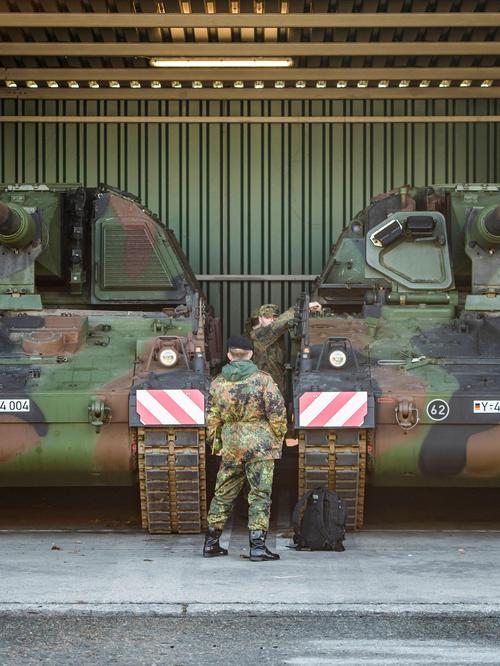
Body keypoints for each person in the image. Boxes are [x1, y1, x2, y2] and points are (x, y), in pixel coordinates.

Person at [203, 335, 287, 562]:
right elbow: (277, 413)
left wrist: (217, 443)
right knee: (259, 494)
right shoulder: (263, 380)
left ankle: (211, 544)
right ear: (250, 354)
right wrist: (278, 437)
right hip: (260, 445)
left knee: (223, 493)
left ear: (229, 355)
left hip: (231, 444)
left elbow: (212, 418)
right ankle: (257, 547)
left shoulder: (218, 382)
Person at [250, 301, 322, 396]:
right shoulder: (259, 335)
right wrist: (304, 307)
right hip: (261, 390)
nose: (271, 320)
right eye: (267, 317)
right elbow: (279, 324)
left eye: (275, 317)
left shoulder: (277, 337)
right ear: (260, 319)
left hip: (277, 390)